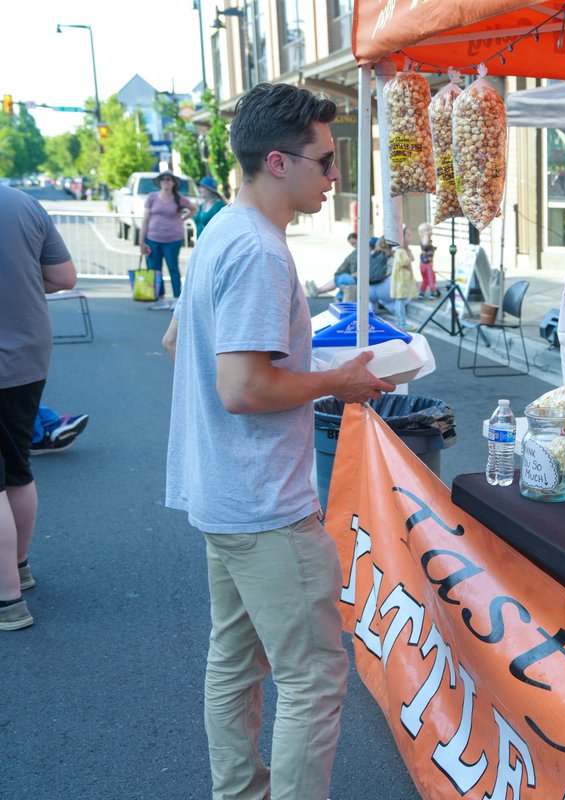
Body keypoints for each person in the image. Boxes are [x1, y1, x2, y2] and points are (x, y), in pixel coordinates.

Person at [161, 83, 394, 799]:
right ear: (277, 161)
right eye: (325, 161)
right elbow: (243, 388)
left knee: (235, 662)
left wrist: (298, 367)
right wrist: (335, 384)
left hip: (222, 493)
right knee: (314, 677)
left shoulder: (220, 231)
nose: (333, 177)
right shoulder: (261, 253)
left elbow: (182, 345)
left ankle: (239, 793)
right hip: (265, 503)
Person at [0, 184, 77, 631]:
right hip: (28, 354)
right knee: (17, 468)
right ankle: (21, 567)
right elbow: (65, 277)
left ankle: (7, 599)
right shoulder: (24, 204)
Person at [138, 171, 197, 311]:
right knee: (154, 269)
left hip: (172, 239)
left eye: (169, 180)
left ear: (173, 183)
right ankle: (160, 299)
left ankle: (177, 299)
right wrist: (141, 241)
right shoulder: (152, 198)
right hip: (152, 239)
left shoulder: (178, 199)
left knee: (173, 268)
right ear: (159, 182)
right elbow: (145, 219)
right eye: (163, 179)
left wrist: (183, 219)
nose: (166, 182)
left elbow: (193, 209)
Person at [305, 231, 357, 298]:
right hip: (345, 275)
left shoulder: (357, 252)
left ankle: (318, 290)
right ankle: (318, 290)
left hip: (345, 276)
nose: (354, 245)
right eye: (352, 244)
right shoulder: (356, 253)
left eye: (354, 243)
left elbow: (353, 269)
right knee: (340, 282)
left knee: (339, 282)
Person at [417, 222, 438, 299]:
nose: (431, 232)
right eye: (428, 230)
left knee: (425, 279)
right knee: (431, 278)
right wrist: (426, 236)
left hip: (423, 263)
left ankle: (421, 292)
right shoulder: (425, 239)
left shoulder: (426, 239)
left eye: (431, 230)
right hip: (426, 264)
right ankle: (433, 292)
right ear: (423, 232)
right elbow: (425, 245)